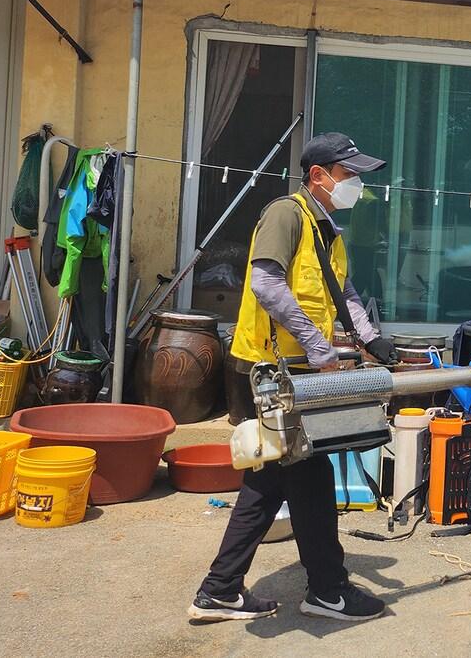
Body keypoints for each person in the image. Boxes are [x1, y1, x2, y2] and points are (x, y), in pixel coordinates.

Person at [189, 132, 398, 623]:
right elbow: (265, 282)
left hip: (295, 367)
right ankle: (325, 589)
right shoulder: (287, 214)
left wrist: (370, 338)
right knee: (299, 472)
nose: (357, 186)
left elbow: (341, 291)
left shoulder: (328, 227)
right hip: (270, 370)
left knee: (282, 476)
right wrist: (319, 347)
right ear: (318, 175)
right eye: (350, 175)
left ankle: (226, 588)